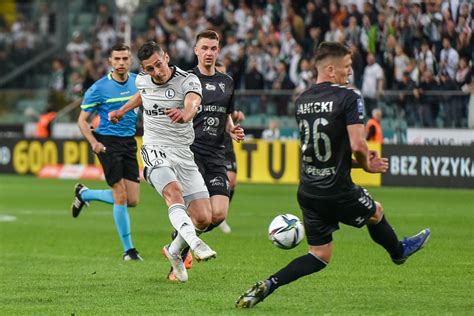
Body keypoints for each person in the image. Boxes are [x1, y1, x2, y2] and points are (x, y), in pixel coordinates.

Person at [235, 42, 431, 308]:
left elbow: (325, 152)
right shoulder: (349, 96)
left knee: (319, 255)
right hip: (337, 189)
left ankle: (270, 284)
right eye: (347, 67)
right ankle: (398, 252)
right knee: (376, 212)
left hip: (308, 190)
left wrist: (357, 164)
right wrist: (367, 163)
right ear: (330, 69)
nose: (350, 73)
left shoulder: (302, 100)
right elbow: (359, 144)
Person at [108, 41, 218, 282]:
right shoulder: (142, 80)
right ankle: (195, 244)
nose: (156, 72)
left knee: (203, 217)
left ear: (166, 57)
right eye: (149, 69)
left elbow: (192, 103)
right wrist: (122, 110)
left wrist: (185, 115)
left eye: (158, 65)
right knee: (173, 192)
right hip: (154, 148)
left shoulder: (188, 80)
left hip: (183, 152)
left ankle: (174, 250)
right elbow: (143, 95)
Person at [166, 30, 245, 281]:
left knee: (219, 214)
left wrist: (232, 129)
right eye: (205, 48)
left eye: (213, 48)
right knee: (201, 215)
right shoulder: (185, 79)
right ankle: (178, 258)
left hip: (216, 154)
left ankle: (176, 245)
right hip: (190, 153)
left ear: (218, 51)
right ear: (196, 51)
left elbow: (226, 114)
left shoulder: (227, 81)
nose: (209, 52)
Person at [71, 43, 142, 261]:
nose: (121, 63)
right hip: (106, 143)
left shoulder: (139, 82)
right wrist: (93, 142)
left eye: (125, 59)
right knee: (120, 195)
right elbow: (82, 121)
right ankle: (129, 250)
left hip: (129, 142)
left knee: (133, 200)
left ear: (130, 61)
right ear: (109, 62)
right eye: (117, 59)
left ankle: (84, 194)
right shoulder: (98, 88)